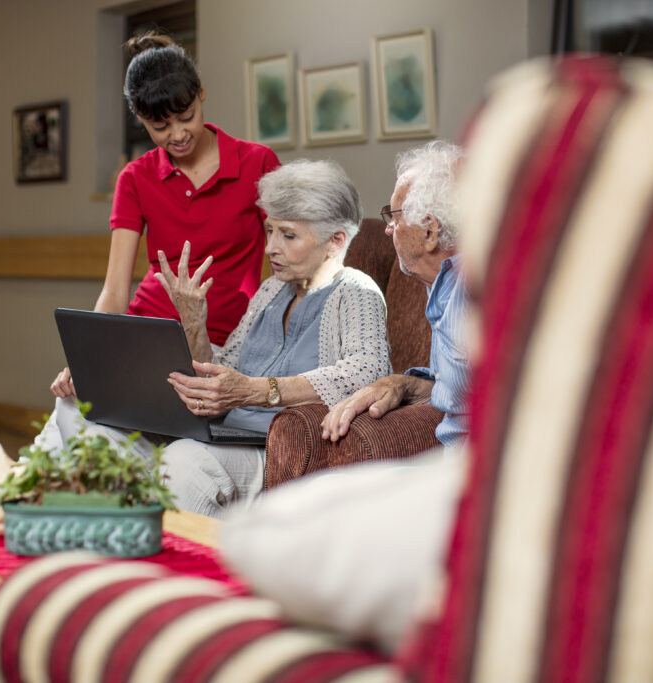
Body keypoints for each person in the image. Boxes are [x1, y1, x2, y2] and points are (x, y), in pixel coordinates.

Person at [38, 159, 391, 519]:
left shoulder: (355, 292)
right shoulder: (271, 291)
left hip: (270, 448)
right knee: (76, 410)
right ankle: (122, 528)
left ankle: (166, 549)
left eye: (288, 235)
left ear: (336, 240)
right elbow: (221, 371)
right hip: (218, 433)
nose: (270, 247)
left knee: (183, 461)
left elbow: (367, 372)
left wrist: (259, 390)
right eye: (269, 231)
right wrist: (193, 322)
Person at [51, 31, 280, 397]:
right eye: (160, 127)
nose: (178, 135)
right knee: (73, 410)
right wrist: (88, 358)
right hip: (148, 335)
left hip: (225, 341)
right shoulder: (135, 178)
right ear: (141, 119)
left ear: (201, 93)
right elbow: (115, 290)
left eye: (186, 117)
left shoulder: (258, 162)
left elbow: (290, 255)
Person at [321, 140, 470, 449]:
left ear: (429, 230)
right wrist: (403, 383)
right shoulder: (441, 286)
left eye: (395, 215)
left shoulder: (471, 292)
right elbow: (464, 386)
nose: (389, 229)